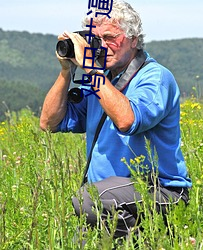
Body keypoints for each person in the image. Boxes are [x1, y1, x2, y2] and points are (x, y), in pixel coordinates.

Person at [40, 0, 192, 243]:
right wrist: (66, 70)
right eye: (95, 39)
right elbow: (49, 123)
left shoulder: (154, 77)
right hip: (110, 198)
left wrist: (90, 68)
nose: (102, 46)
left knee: (88, 200)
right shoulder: (101, 81)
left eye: (110, 37)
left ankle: (145, 242)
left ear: (134, 39)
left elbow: (127, 120)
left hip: (159, 191)